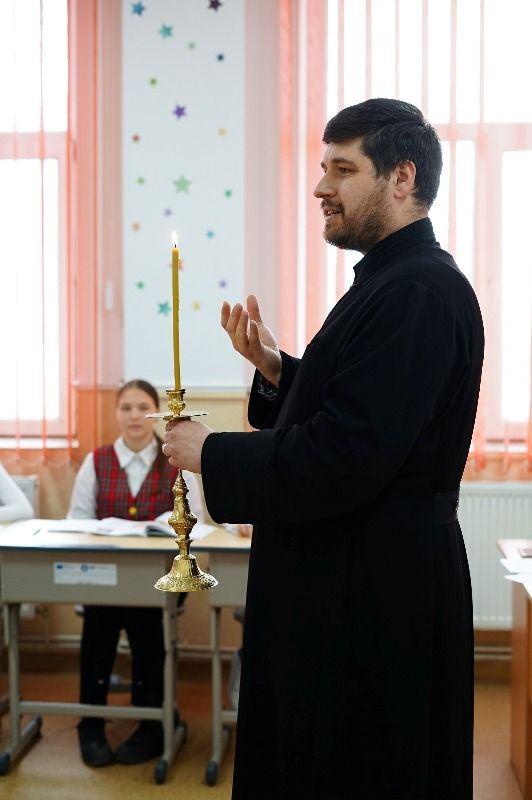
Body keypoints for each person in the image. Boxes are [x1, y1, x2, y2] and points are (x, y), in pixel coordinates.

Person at [162, 99, 484, 799]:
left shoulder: (419, 291)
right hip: (355, 574)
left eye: (342, 170)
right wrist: (278, 368)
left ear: (401, 178)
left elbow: (348, 454)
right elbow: (370, 410)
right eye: (322, 168)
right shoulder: (392, 281)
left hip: (374, 593)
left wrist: (211, 453)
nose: (320, 188)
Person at [68, 378, 204, 768]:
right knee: (101, 617)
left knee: (146, 616)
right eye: (125, 408)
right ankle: (91, 724)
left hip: (158, 580)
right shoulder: (96, 461)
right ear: (116, 414)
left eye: (142, 407)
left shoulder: (176, 460)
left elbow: (197, 521)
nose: (134, 416)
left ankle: (153, 725)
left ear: (155, 413)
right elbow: (77, 521)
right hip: (105, 577)